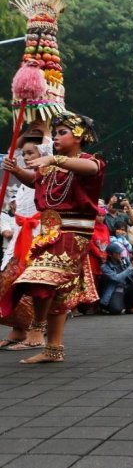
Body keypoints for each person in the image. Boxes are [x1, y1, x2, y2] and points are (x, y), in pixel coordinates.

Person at [5, 112, 105, 364]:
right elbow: (35, 182)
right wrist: (17, 170)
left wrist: (54, 158)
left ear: (79, 136)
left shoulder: (86, 161)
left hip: (73, 236)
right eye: (56, 132)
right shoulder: (51, 167)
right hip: (49, 234)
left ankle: (37, 328)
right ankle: (53, 349)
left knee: (39, 276)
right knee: (56, 291)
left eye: (63, 132)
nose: (57, 137)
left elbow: (93, 168)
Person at [0, 134, 46, 351]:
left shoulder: (47, 176)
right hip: (19, 238)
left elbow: (46, 140)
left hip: (39, 238)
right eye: (24, 154)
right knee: (7, 281)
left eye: (31, 153)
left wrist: (41, 119)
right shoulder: (23, 183)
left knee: (33, 286)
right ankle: (19, 329)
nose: (26, 157)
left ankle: (35, 331)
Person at [99, 243, 133, 315]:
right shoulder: (105, 266)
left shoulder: (124, 260)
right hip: (116, 290)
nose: (120, 254)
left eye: (120, 252)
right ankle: (109, 306)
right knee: (116, 310)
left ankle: (130, 307)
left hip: (127, 287)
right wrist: (130, 268)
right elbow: (116, 278)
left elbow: (132, 275)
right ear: (111, 254)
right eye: (117, 253)